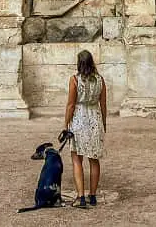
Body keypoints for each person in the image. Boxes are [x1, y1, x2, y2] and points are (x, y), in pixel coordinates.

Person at [63, 49, 107, 208]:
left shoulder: (74, 80)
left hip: (79, 120)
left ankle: (81, 197)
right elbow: (103, 104)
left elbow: (71, 105)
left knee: (77, 159)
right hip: (95, 118)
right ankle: (93, 196)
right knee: (94, 159)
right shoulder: (100, 80)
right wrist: (104, 124)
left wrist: (65, 124)